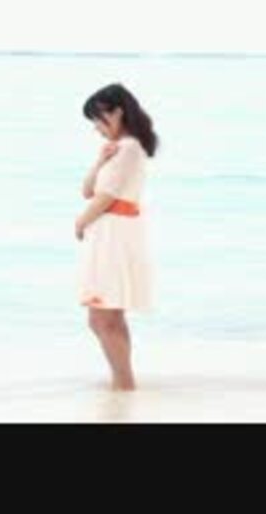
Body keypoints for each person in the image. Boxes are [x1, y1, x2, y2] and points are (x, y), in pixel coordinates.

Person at [75, 82, 159, 391]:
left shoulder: (130, 148)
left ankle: (124, 382)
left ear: (117, 113)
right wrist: (100, 160)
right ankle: (123, 381)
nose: (96, 128)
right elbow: (87, 190)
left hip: (114, 236)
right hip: (110, 235)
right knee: (108, 315)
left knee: (102, 318)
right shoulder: (118, 149)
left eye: (98, 119)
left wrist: (81, 222)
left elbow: (105, 197)